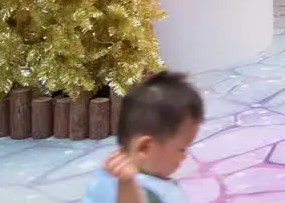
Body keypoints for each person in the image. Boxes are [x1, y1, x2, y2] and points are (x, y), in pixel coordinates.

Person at [83, 71, 205, 203]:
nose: (185, 156)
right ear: (145, 147)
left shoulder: (103, 175)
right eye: (181, 149)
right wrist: (127, 188)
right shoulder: (147, 192)